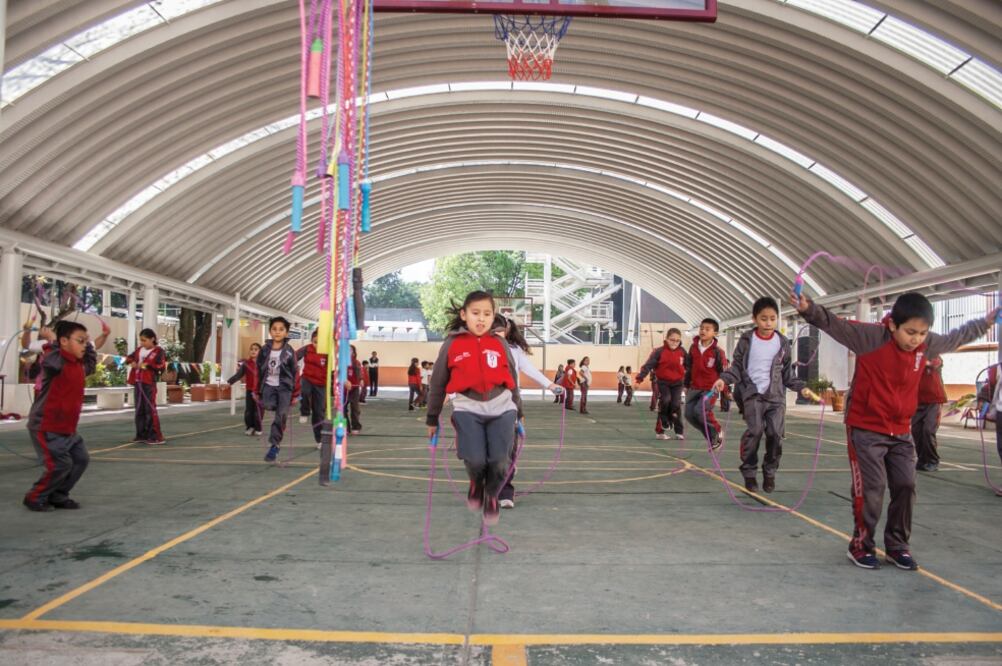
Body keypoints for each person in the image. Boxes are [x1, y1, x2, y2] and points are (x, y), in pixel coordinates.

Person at [794, 290, 997, 570]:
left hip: (901, 431)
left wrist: (985, 323)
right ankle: (860, 546)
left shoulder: (925, 346)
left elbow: (955, 338)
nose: (916, 339)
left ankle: (897, 546)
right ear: (892, 325)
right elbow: (836, 325)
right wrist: (809, 309)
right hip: (865, 429)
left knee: (906, 484)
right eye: (910, 332)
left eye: (923, 333)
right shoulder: (871, 338)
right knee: (872, 487)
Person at [425, 291, 523, 525]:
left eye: (487, 314)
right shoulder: (452, 344)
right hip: (467, 407)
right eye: (475, 313)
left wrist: (519, 413)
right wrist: (432, 418)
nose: (481, 319)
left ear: (493, 317)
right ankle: (475, 483)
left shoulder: (499, 343)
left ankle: (491, 494)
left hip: (502, 407)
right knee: (475, 459)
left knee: (500, 460)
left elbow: (512, 378)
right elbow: (438, 382)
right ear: (464, 315)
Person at [714, 298, 809, 493]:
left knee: (775, 434)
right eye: (764, 318)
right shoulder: (747, 340)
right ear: (755, 319)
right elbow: (737, 366)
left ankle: (770, 471)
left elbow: (787, 374)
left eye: (773, 319)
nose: (768, 323)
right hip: (752, 395)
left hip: (776, 398)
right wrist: (724, 379)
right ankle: (749, 472)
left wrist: (801, 387)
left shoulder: (782, 342)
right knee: (755, 431)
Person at [23, 321, 100, 511]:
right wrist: (51, 341)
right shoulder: (54, 362)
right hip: (47, 425)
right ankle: (35, 496)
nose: (84, 345)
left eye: (85, 341)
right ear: (63, 341)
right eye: (80, 341)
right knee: (60, 464)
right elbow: (51, 358)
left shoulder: (80, 366)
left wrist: (89, 343)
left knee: (80, 460)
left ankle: (58, 494)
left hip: (68, 428)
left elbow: (91, 359)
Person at [492, 314, 562, 509]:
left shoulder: (514, 351)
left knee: (508, 451)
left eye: (499, 329)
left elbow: (530, 369)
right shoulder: (476, 349)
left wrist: (550, 385)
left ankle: (506, 491)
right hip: (482, 406)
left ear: (506, 330)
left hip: (509, 405)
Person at [255, 317, 300, 463]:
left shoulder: (289, 351)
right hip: (268, 386)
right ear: (270, 331)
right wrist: (256, 391)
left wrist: (295, 394)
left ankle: (275, 445)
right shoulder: (264, 350)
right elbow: (258, 370)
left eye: (281, 329)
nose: (277, 332)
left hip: (285, 388)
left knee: (280, 416)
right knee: (267, 405)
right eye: (274, 329)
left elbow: (295, 372)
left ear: (286, 332)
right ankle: (280, 412)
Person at [684, 318, 727, 451]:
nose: (703, 331)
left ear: (715, 333)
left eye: (707, 329)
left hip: (710, 388)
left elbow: (723, 372)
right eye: (702, 328)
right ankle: (710, 436)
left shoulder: (718, 352)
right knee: (689, 414)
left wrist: (726, 391)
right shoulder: (693, 348)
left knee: (700, 410)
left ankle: (717, 431)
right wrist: (686, 385)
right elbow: (689, 367)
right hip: (694, 387)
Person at [637, 328, 688, 441]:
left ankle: (679, 431)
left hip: (678, 383)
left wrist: (690, 383)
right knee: (666, 400)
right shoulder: (659, 352)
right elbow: (648, 365)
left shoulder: (682, 352)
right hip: (663, 382)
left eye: (677, 341)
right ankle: (662, 426)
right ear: (666, 339)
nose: (674, 342)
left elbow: (690, 367)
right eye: (672, 340)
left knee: (675, 405)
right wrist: (639, 378)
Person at [125, 328, 167, 445]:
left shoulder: (159, 351)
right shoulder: (139, 350)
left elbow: (161, 366)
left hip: (149, 383)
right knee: (139, 409)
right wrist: (132, 363)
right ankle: (141, 434)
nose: (142, 343)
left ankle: (155, 435)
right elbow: (128, 358)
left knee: (150, 409)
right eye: (141, 340)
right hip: (138, 382)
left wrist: (146, 366)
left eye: (144, 340)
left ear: (152, 339)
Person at [912, 354, 946, 472]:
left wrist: (919, 362)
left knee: (928, 430)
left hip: (934, 400)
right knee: (916, 431)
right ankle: (922, 459)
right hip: (917, 400)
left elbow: (936, 363)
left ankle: (932, 460)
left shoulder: (933, 355)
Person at [296, 330, 327, 447]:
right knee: (304, 391)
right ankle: (304, 412)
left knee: (319, 413)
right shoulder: (307, 349)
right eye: (315, 342)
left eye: (320, 342)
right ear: (311, 341)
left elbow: (335, 365)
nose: (317, 345)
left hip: (321, 384)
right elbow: (294, 356)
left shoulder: (328, 352)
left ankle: (319, 439)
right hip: (307, 378)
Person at [227, 342, 262, 436]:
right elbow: (238, 375)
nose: (253, 351)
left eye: (256, 349)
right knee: (249, 411)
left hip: (260, 392)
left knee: (258, 411)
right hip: (250, 390)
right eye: (252, 349)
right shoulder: (246, 364)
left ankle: (258, 428)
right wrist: (229, 382)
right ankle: (250, 427)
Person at [343, 345, 363, 434]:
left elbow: (360, 373)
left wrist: (361, 380)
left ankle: (356, 426)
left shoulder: (356, 363)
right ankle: (345, 427)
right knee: (342, 409)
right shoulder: (341, 362)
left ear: (354, 353)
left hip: (354, 388)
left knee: (355, 408)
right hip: (343, 389)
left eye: (351, 351)